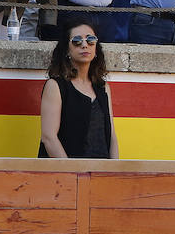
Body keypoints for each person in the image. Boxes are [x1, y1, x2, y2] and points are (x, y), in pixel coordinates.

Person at [38, 22, 119, 158]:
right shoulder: (55, 86)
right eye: (76, 41)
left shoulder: (102, 87)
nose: (84, 44)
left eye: (90, 40)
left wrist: (113, 172)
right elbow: (49, 137)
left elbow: (111, 135)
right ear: (66, 50)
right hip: (63, 174)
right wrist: (73, 173)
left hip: (99, 172)